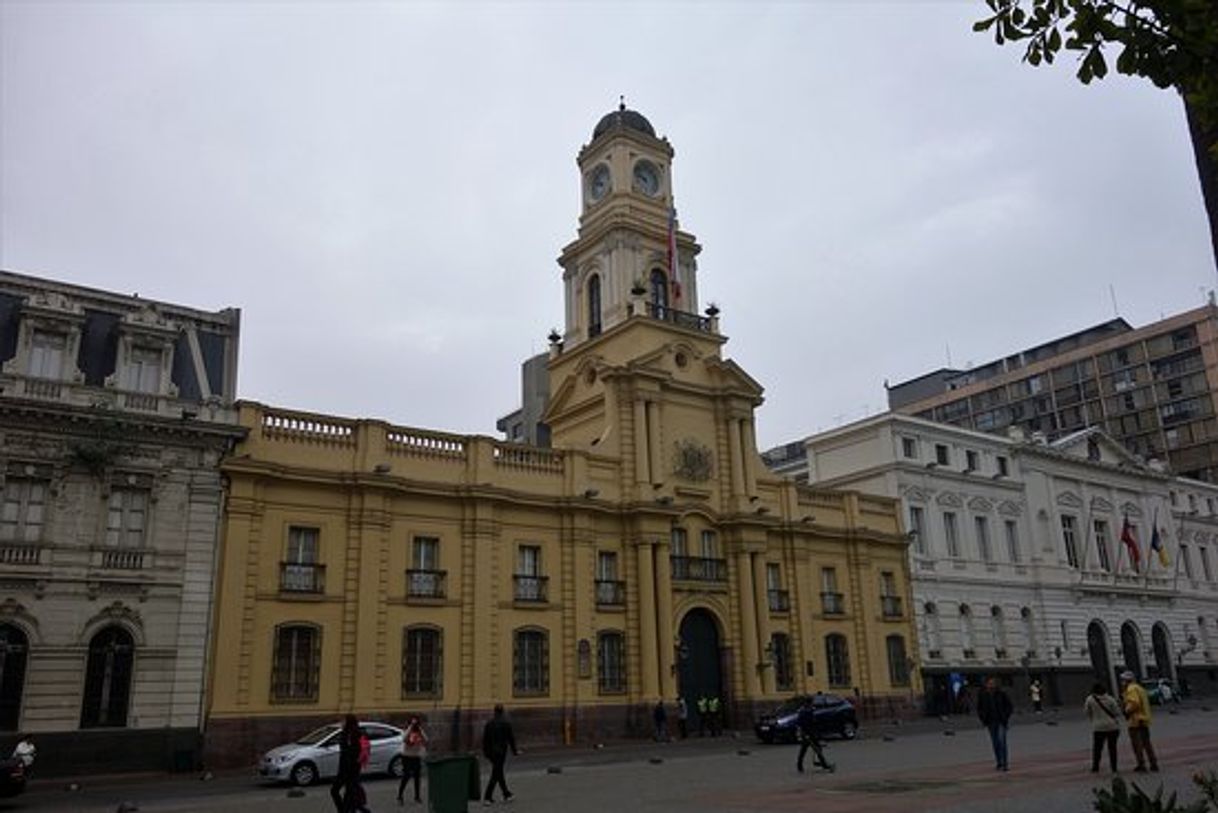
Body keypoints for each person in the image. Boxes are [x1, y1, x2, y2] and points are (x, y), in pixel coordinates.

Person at [1120, 670, 1159, 773]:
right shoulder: (1140, 688)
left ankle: (1141, 764)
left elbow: (1134, 703)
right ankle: (1153, 763)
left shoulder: (1131, 689)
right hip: (1144, 719)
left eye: (1123, 680)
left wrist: (1126, 710)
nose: (1121, 682)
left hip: (1135, 721)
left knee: (1137, 744)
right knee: (1147, 743)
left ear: (1127, 680)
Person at [481, 704, 519, 805]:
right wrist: (515, 751)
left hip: (491, 753)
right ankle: (487, 797)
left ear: (494, 712)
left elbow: (485, 740)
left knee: (498, 772)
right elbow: (511, 739)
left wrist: (485, 752)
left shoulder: (489, 724)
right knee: (496, 774)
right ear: (502, 712)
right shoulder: (506, 724)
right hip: (501, 752)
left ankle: (506, 794)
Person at [1084, 682, 1122, 773]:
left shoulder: (1090, 699)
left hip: (1098, 727)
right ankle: (1114, 767)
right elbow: (1117, 712)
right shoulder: (1110, 699)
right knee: (1112, 748)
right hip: (1112, 727)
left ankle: (1095, 767)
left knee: (1097, 748)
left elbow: (1087, 712)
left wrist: (1094, 719)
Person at [977, 677, 1013, 772]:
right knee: (995, 743)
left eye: (993, 683)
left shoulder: (1001, 694)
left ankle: (1005, 764)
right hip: (990, 722)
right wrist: (983, 718)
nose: (991, 685)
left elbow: (1009, 706)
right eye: (989, 683)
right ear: (986, 684)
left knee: (1002, 742)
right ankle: (999, 762)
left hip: (1001, 721)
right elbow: (979, 708)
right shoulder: (983, 695)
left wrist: (1005, 717)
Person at [330, 715, 362, 813]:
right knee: (347, 795)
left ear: (348, 722)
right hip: (349, 770)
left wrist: (347, 770)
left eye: (343, 721)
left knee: (338, 791)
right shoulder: (347, 733)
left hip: (349, 770)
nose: (341, 722)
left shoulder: (353, 734)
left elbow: (352, 753)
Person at [795, 700, 834, 774]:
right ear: (808, 704)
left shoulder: (802, 711)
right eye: (810, 704)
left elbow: (800, 723)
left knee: (805, 750)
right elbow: (809, 724)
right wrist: (809, 734)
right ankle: (824, 765)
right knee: (816, 749)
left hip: (806, 734)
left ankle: (800, 766)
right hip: (809, 734)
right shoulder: (807, 712)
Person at [397, 716, 428, 805]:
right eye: (413, 723)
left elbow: (426, 739)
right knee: (406, 776)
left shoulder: (419, 732)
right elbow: (404, 738)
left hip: (416, 756)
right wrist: (410, 726)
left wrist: (419, 728)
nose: (414, 725)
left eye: (416, 723)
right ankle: (400, 796)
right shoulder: (406, 731)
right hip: (406, 756)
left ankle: (417, 796)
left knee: (417, 777)